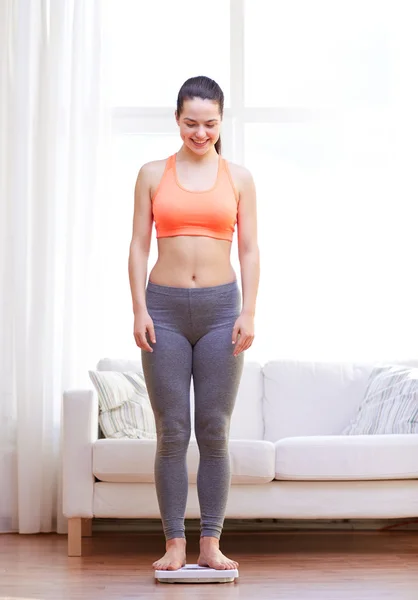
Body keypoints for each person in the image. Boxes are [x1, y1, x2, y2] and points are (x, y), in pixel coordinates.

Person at [128, 75, 260, 572]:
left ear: (221, 121)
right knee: (172, 431)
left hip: (221, 311)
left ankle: (210, 542)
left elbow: (248, 248)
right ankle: (174, 544)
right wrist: (139, 308)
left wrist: (248, 310)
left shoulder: (240, 177)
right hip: (163, 309)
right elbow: (140, 245)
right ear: (177, 119)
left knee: (214, 429)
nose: (200, 133)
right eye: (190, 123)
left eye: (209, 124)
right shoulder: (150, 174)